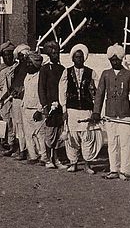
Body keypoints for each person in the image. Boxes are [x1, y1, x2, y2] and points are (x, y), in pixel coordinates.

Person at [92, 44, 130, 181]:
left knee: (125, 143)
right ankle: (113, 169)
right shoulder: (105, 74)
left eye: (117, 60)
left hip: (125, 115)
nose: (115, 62)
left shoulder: (129, 75)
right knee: (112, 143)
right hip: (110, 115)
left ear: (121, 59)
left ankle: (124, 171)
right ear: (109, 60)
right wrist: (96, 112)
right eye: (112, 60)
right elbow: (99, 94)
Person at [59, 44, 99, 173]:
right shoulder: (67, 72)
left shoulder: (91, 72)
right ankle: (73, 163)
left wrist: (96, 110)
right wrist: (64, 109)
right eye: (76, 57)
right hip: (72, 110)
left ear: (84, 58)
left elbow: (97, 92)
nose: (79, 59)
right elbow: (62, 91)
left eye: (81, 57)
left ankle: (87, 165)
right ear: (72, 58)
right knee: (72, 137)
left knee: (88, 136)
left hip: (87, 109)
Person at [38, 40, 65, 168]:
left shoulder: (62, 69)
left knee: (59, 132)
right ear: (49, 54)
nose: (56, 55)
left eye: (57, 53)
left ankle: (57, 158)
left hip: (60, 106)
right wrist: (45, 105)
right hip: (49, 106)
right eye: (54, 53)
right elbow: (41, 89)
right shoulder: (44, 70)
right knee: (49, 133)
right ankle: (48, 159)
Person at [0, 43, 19, 155]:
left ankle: (16, 145)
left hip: (16, 99)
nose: (8, 57)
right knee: (6, 121)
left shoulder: (17, 68)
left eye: (10, 55)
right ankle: (7, 143)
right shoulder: (1, 71)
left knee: (16, 122)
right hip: (4, 100)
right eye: (5, 55)